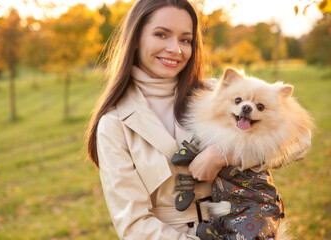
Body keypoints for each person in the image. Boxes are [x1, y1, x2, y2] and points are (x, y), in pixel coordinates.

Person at [86, 0, 311, 239]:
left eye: (185, 40)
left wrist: (226, 155)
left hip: (241, 226)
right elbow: (134, 225)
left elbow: (301, 142)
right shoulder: (114, 124)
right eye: (161, 35)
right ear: (135, 39)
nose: (175, 49)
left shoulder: (218, 94)